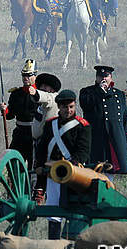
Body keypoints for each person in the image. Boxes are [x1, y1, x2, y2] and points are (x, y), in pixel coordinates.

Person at [34, 90, 91, 239]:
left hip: (74, 174)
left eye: (71, 106)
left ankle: (71, 239)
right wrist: (39, 165)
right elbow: (42, 148)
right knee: (53, 207)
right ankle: (53, 242)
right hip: (53, 173)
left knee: (75, 208)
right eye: (65, 107)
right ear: (59, 107)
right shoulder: (50, 125)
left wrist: (71, 164)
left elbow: (83, 151)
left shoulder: (82, 126)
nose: (69, 110)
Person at [79, 65, 127, 175]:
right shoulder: (87, 92)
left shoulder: (119, 94)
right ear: (96, 78)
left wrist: (126, 138)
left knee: (112, 169)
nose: (103, 78)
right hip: (96, 136)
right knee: (95, 169)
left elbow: (125, 118)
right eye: (100, 76)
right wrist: (100, 91)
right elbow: (86, 105)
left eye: (106, 76)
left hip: (115, 136)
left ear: (111, 77)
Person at [0, 59, 39, 167]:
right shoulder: (16, 94)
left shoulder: (40, 94)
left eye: (29, 75)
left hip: (34, 134)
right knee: (12, 163)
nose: (25, 78)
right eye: (23, 75)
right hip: (19, 134)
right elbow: (10, 115)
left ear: (35, 76)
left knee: (33, 165)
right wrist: (4, 110)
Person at [30, 73, 62, 140]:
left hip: (49, 141)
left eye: (45, 86)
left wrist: (36, 93)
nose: (42, 88)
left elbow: (46, 97)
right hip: (38, 142)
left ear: (52, 89)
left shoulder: (54, 98)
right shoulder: (41, 103)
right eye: (41, 86)